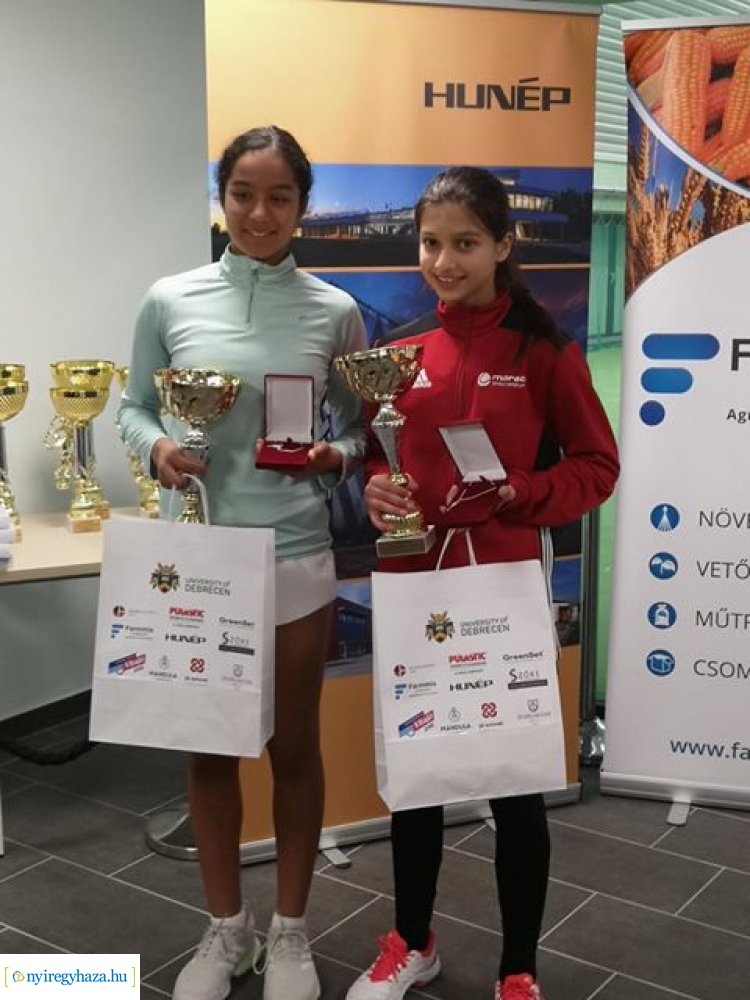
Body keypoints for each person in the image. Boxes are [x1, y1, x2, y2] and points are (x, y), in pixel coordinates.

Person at [346, 167, 619, 1000]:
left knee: (514, 788)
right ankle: (413, 941)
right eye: (431, 243)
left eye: (465, 243)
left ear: (503, 245)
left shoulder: (544, 352)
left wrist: (520, 493)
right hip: (415, 586)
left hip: (503, 587)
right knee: (417, 780)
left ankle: (518, 970)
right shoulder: (398, 356)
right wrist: (377, 491)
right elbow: (379, 460)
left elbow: (597, 467)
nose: (444, 261)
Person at [119, 125, 367, 1000]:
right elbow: (131, 407)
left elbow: (360, 427)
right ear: (220, 199)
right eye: (244, 195)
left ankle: (291, 931)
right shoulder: (168, 299)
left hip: (295, 557)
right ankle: (228, 929)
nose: (261, 214)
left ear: (303, 207)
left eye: (280, 198)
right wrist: (157, 451)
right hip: (198, 559)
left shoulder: (335, 310)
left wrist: (332, 459)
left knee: (293, 747)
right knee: (209, 751)